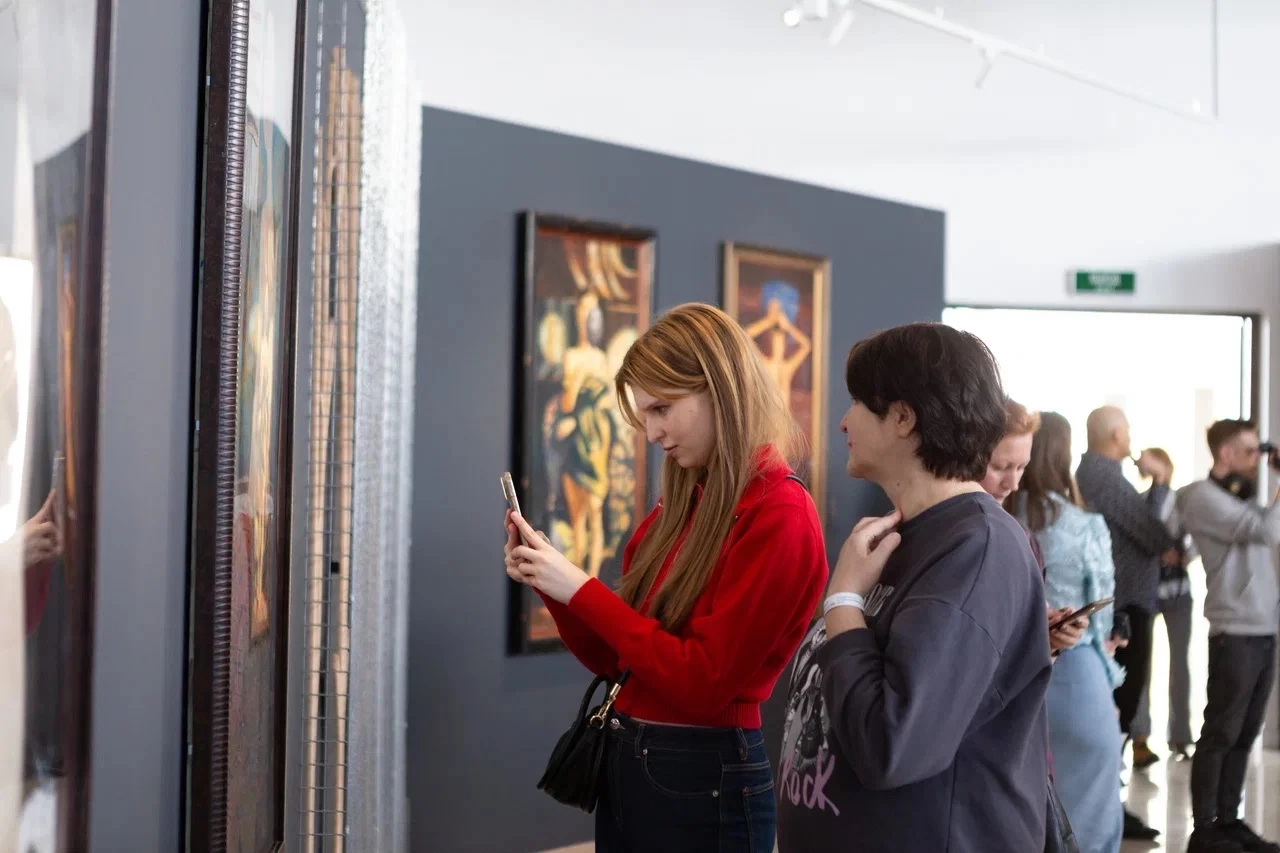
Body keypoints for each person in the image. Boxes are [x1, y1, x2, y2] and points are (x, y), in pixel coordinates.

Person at [504, 302, 828, 853]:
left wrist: (578, 589)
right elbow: (620, 660)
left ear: (720, 389)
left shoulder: (780, 514)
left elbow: (702, 684)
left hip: (702, 776)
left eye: (662, 409)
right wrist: (552, 584)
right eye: (645, 414)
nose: (652, 433)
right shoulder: (683, 506)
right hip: (637, 764)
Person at [775, 323, 1051, 853]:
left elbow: (892, 744)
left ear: (903, 418)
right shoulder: (903, 537)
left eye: (859, 402)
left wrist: (843, 601)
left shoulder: (977, 548)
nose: (843, 421)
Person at [1010, 411, 1126, 853]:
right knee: (1089, 820)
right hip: (1077, 674)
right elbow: (1100, 609)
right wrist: (1109, 663)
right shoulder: (1083, 523)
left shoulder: (1001, 516)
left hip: (1014, 678)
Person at [1075, 405, 1177, 842]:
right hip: (1124, 607)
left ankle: (1109, 803)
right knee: (1121, 703)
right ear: (1116, 435)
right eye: (1128, 429)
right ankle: (1107, 806)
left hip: (1124, 604)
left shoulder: (1100, 475)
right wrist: (1161, 482)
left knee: (1124, 704)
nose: (1131, 437)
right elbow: (1155, 536)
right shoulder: (1102, 476)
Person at [1177, 420, 1280, 853]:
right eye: (1250, 451)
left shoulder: (1242, 497)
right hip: (1234, 631)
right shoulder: (1203, 497)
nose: (1257, 459)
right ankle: (1205, 830)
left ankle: (1229, 820)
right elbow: (1268, 530)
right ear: (1225, 454)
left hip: (1263, 627)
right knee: (1221, 732)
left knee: (1245, 733)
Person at [981, 397, 1087, 656]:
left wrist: (1046, 639)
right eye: (1000, 467)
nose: (1013, 483)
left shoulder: (1025, 540)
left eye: (1021, 468)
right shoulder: (941, 534)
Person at [1131, 446, 1197, 767]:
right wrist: (1161, 549)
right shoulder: (1140, 500)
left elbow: (1196, 539)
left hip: (1179, 591)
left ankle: (1180, 734)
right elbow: (1148, 531)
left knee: (1180, 665)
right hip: (1146, 591)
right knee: (1142, 665)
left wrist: (1183, 555)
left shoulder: (1184, 501)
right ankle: (1139, 739)